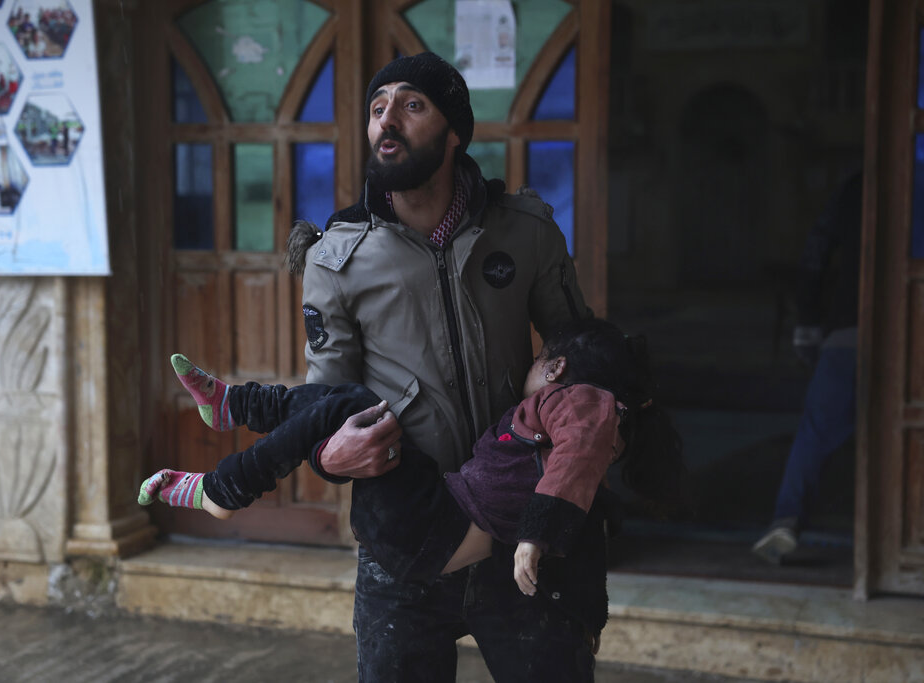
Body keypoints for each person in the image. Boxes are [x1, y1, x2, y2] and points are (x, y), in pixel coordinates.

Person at [285, 51, 595, 680]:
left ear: (454, 132)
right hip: (405, 540)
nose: (387, 120)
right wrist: (327, 454)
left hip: (520, 528)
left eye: (411, 105)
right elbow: (326, 404)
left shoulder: (527, 232)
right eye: (377, 108)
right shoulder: (336, 259)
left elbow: (584, 359)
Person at [140, 319, 684, 672]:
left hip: (431, 530)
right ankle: (236, 407)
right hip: (436, 520)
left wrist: (537, 535)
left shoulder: (584, 402)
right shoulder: (587, 411)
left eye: (537, 358)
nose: (530, 366)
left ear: (556, 368)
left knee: (350, 404)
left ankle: (224, 485)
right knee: (343, 402)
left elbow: (577, 458)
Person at [752, 170, 862, 564]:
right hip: (909, 330)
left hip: (850, 327)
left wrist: (808, 322)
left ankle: (788, 518)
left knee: (816, 428)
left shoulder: (858, 186)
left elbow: (816, 252)